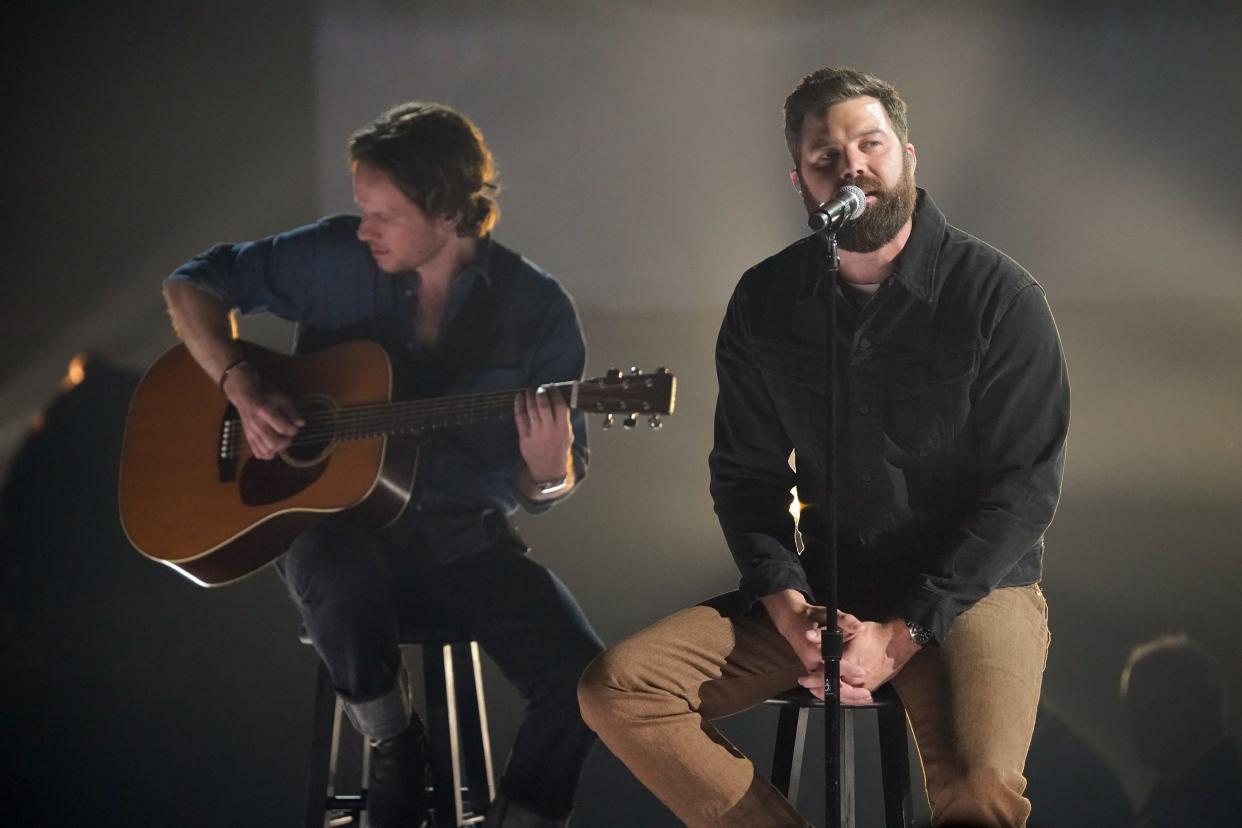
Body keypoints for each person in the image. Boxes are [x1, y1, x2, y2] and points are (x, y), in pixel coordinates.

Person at [578, 66, 1069, 827]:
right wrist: (787, 608)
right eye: (825, 159)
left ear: (908, 153)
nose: (853, 168)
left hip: (972, 589)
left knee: (979, 787)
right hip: (827, 588)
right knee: (617, 687)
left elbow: (1024, 494)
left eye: (870, 145)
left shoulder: (1000, 298)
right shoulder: (766, 300)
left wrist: (901, 636)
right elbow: (745, 479)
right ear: (801, 182)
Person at [163, 102, 603, 828]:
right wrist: (240, 383)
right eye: (362, 210)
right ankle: (396, 745)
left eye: (384, 215)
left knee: (586, 684)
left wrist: (547, 468)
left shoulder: (537, 309)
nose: (363, 229)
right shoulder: (340, 257)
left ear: (451, 213)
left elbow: (554, 482)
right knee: (329, 557)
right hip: (340, 538)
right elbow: (191, 285)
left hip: (464, 544)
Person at [1121, 633, 1242, 828]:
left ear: (1197, 702)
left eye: (1151, 707)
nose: (1138, 725)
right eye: (1134, 709)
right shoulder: (1175, 791)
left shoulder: (1216, 800)